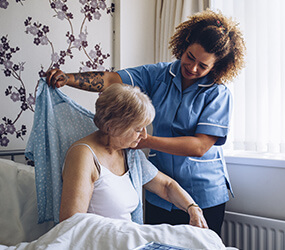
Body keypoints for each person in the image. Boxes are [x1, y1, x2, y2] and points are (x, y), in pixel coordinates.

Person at [47, 9, 246, 235]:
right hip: (160, 193)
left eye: (203, 66)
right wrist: (68, 79)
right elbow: (112, 80)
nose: (192, 68)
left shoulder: (218, 94)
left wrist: (144, 140)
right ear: (184, 45)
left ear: (216, 67)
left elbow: (199, 147)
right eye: (190, 57)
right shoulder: (158, 74)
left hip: (203, 192)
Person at [59, 83, 208, 229]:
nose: (144, 135)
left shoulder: (129, 154)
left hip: (126, 239)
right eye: (138, 129)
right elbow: (71, 224)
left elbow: (166, 186)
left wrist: (193, 208)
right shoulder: (84, 155)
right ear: (111, 126)